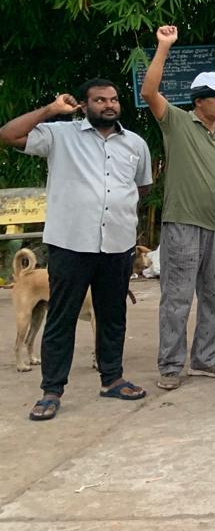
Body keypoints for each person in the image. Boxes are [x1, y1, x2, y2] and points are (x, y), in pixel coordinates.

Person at [2, 83, 152, 420]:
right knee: (61, 317)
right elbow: (8, 135)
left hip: (117, 244)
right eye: (99, 100)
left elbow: (141, 187)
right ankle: (51, 390)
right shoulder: (60, 135)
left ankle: (112, 379)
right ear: (84, 105)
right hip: (71, 243)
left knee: (113, 316)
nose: (109, 105)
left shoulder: (135, 143)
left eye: (113, 99)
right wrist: (50, 110)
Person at [141, 25, 215, 390]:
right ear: (199, 100)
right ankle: (171, 366)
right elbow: (148, 92)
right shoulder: (176, 121)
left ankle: (205, 359)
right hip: (182, 224)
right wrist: (164, 46)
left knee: (212, 296)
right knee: (176, 297)